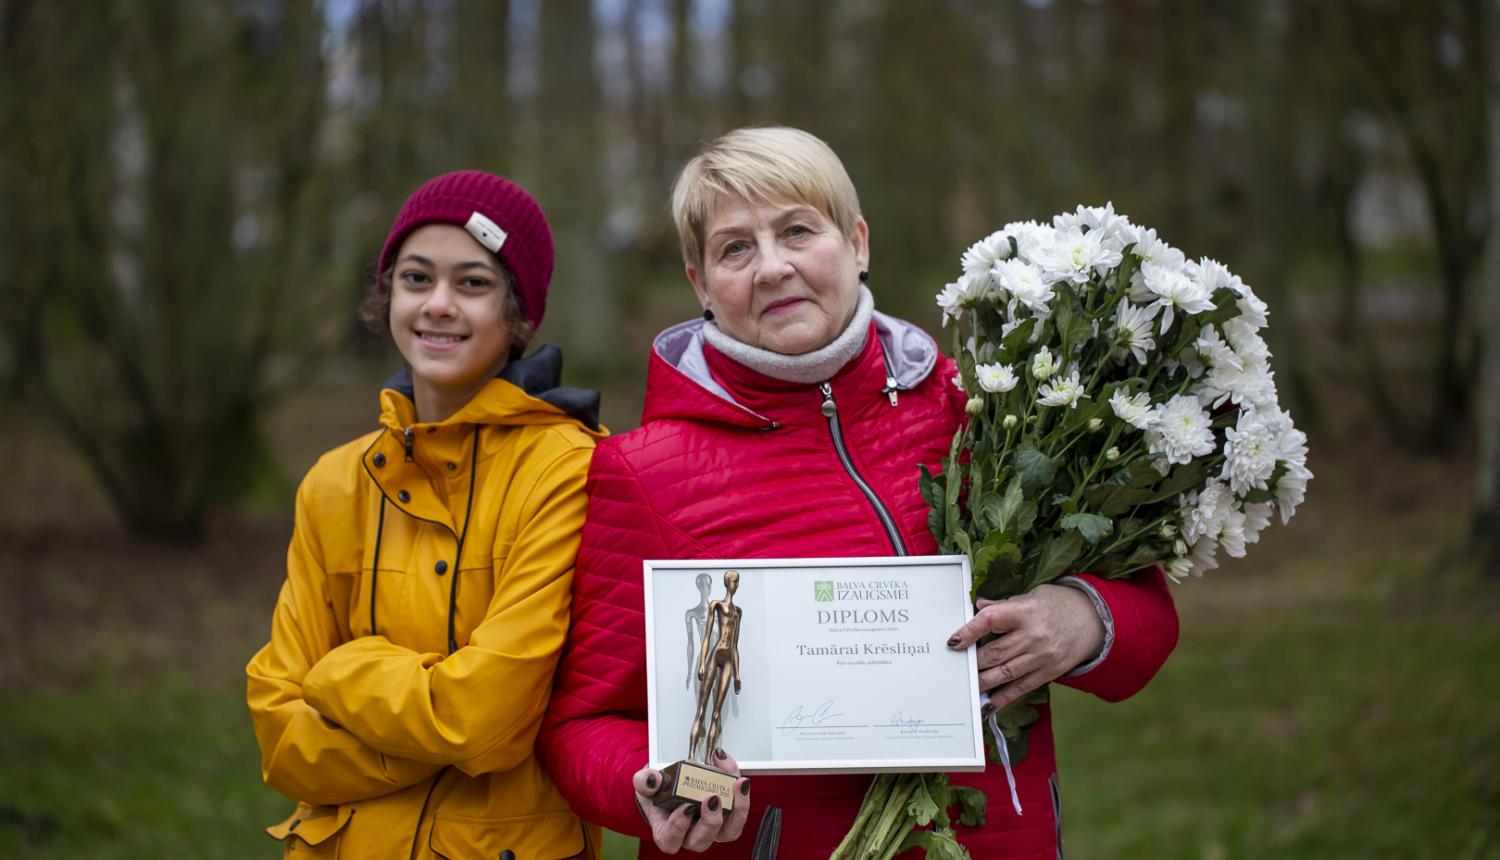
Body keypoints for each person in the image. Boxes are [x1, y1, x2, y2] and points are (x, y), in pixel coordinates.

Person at [539, 127, 1180, 858]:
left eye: (797, 230)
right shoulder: (643, 472)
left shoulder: (982, 411)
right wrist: (657, 784)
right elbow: (582, 725)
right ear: (700, 283)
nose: (773, 267)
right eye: (735, 248)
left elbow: (1147, 619)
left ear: (858, 243)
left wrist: (1084, 618)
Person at [247, 171, 606, 859]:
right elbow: (279, 737)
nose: (438, 305)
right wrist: (434, 724)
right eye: (416, 279)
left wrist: (339, 674)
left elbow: (486, 720)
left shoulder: (570, 470)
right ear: (388, 299)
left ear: (519, 315)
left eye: (472, 284)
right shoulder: (332, 483)